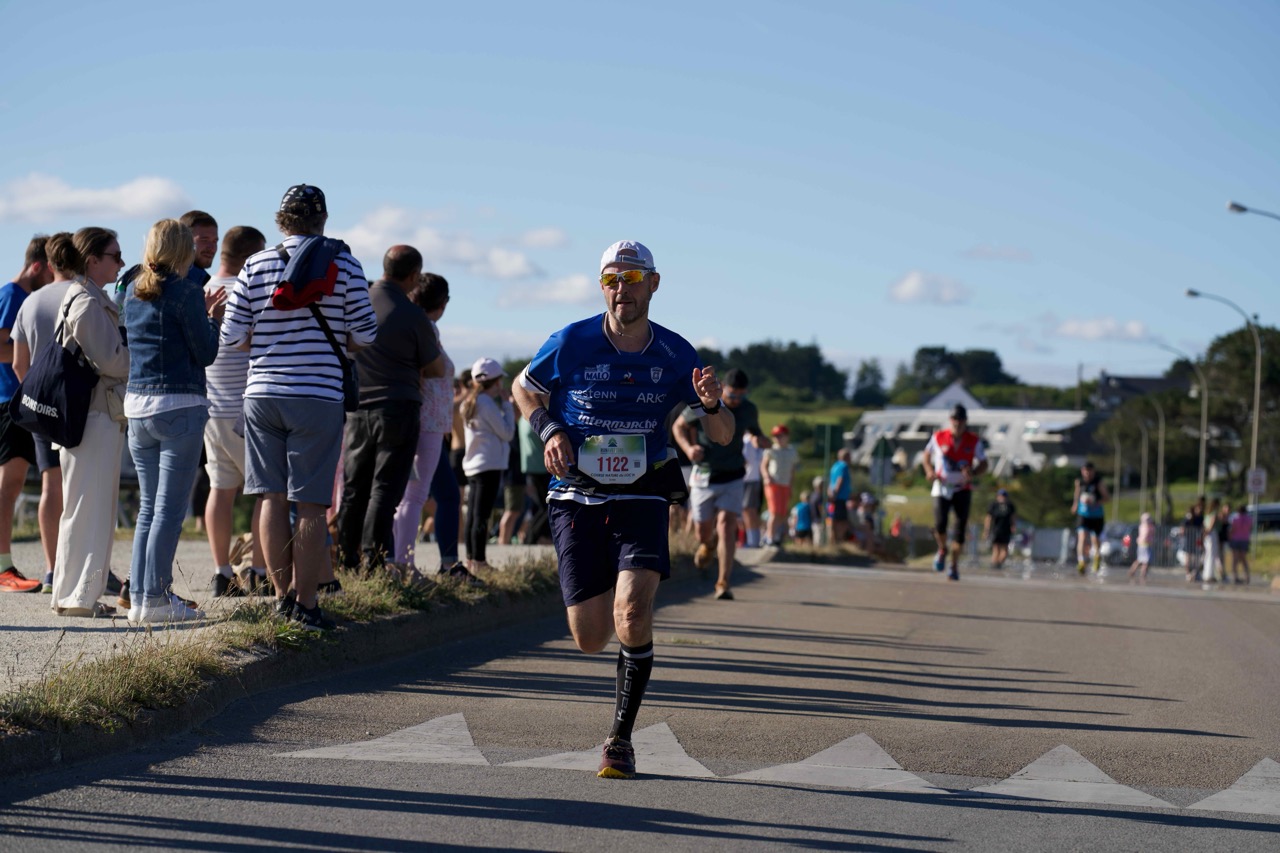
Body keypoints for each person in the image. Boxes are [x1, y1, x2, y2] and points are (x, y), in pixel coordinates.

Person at [512, 239, 731, 779]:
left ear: (653, 284)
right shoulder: (572, 340)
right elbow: (523, 387)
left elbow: (723, 434)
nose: (621, 290)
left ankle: (620, 739)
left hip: (644, 492)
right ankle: (612, 585)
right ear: (601, 285)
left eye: (631, 280)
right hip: (576, 496)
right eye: (611, 279)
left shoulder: (676, 353)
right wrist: (550, 429)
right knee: (590, 637)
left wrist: (711, 404)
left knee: (631, 614)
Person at [220, 184, 378, 631]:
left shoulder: (255, 264)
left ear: (280, 220)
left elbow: (231, 336)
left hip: (261, 394)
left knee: (271, 497)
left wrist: (267, 345)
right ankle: (307, 604)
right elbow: (366, 335)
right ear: (322, 220)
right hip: (317, 395)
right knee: (310, 505)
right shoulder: (346, 265)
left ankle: (279, 597)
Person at [123, 219, 224, 624]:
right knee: (168, 511)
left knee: (149, 510)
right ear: (184, 251)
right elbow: (206, 352)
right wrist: (213, 317)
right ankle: (157, 598)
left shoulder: (131, 291)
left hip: (137, 407)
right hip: (179, 405)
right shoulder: (187, 292)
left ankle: (140, 598)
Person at [337, 245, 442, 574]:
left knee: (354, 487)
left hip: (356, 408)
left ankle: (346, 559)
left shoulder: (356, 302)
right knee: (385, 488)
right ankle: (374, 560)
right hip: (398, 406)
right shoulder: (413, 314)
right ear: (413, 276)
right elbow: (436, 367)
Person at [50, 227, 129, 616]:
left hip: (92, 416)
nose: (121, 262)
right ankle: (78, 598)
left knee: (87, 509)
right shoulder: (85, 301)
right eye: (115, 256)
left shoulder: (88, 297)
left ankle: (73, 595)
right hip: (92, 417)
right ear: (92, 260)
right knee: (89, 511)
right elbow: (111, 360)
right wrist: (144, 359)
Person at [390, 273, 473, 581]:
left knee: (433, 494)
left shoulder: (417, 326)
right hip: (426, 424)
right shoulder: (425, 329)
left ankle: (409, 561)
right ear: (442, 303)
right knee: (417, 496)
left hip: (426, 423)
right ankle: (406, 563)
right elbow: (425, 372)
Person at [201, 226, 268, 597]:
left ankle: (222, 573)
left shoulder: (203, 289)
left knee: (220, 490)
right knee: (266, 492)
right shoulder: (249, 290)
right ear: (250, 256)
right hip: (245, 408)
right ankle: (259, 570)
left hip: (210, 408)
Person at [12, 233, 77, 594]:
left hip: (40, 404)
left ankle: (52, 568)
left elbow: (18, 363)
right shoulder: (84, 295)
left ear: (49, 263)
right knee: (83, 486)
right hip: (79, 406)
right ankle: (81, 564)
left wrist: (34, 397)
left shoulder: (31, 302)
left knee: (52, 485)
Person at [674, 367, 764, 600]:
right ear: (723, 388)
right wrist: (688, 449)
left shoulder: (749, 409)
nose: (736, 400)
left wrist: (760, 440)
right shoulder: (704, 402)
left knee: (726, 526)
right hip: (704, 473)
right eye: (732, 395)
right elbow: (678, 427)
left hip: (733, 475)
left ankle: (723, 582)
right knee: (702, 531)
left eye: (741, 395)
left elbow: (755, 432)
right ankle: (707, 543)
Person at [0, 235, 52, 593]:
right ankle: (3, 567)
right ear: (36, 267)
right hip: (10, 400)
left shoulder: (25, 297)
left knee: (16, 484)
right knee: (9, 485)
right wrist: (35, 356)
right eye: (50, 273)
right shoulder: (11, 295)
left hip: (23, 400)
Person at [921, 404, 988, 581]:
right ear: (950, 420)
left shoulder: (974, 441)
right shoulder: (938, 437)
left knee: (959, 530)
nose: (957, 423)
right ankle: (942, 549)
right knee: (940, 523)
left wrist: (973, 472)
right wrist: (929, 471)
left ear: (966, 421)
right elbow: (926, 456)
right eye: (955, 419)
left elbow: (984, 463)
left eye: (961, 420)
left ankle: (954, 565)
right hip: (941, 487)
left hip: (962, 488)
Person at [461, 357, 515, 573]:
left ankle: (471, 560)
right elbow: (507, 433)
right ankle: (480, 562)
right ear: (497, 381)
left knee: (473, 515)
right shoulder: (486, 403)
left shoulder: (471, 401)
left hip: (474, 465)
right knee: (482, 515)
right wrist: (508, 406)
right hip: (489, 465)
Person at [761, 424, 799, 546]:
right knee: (774, 512)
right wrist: (767, 477)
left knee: (782, 513)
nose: (777, 438)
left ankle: (774, 535)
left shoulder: (792, 451)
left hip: (785, 484)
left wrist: (791, 485)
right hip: (773, 484)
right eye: (775, 436)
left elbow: (792, 470)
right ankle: (769, 537)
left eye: (780, 436)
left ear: (787, 436)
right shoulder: (771, 450)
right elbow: (763, 466)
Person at [1072, 461, 1109, 575]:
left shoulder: (1098, 482)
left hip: (1096, 516)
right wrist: (1075, 505)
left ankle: (1097, 556)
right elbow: (1077, 494)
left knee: (1095, 540)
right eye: (1085, 471)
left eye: (1089, 471)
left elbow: (1107, 498)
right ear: (1082, 471)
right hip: (1083, 515)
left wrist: (1095, 501)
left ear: (1093, 471)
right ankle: (1081, 561)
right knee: (1082, 537)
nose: (1087, 473)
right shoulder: (1079, 482)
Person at [984, 488, 1017, 569]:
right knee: (996, 549)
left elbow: (1013, 517)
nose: (1002, 497)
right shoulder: (994, 505)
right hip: (996, 530)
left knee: (1005, 551)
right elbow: (989, 518)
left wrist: (1013, 526)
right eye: (1001, 495)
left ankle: (997, 564)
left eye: (1004, 496)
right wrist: (986, 530)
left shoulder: (1010, 505)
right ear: (997, 496)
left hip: (1006, 530)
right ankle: (994, 565)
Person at [827, 448, 854, 545]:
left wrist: (830, 494)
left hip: (833, 497)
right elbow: (840, 480)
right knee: (842, 521)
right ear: (846, 457)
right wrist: (836, 493)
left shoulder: (834, 466)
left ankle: (833, 541)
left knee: (833, 520)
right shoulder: (844, 466)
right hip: (840, 498)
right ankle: (839, 541)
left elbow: (830, 482)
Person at [1227, 503, 1252, 585]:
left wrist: (1229, 537)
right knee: (1244, 559)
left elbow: (1232, 529)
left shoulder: (1235, 518)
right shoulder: (1249, 519)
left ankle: (1235, 576)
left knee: (1235, 559)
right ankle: (1247, 576)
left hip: (1235, 539)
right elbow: (1250, 528)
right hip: (1245, 539)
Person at [1128, 512, 1155, 583]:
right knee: (1146, 561)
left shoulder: (1142, 526)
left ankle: (1132, 571)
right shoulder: (1147, 526)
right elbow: (1146, 534)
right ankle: (1143, 575)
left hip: (1141, 544)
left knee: (1140, 559)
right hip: (1146, 544)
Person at [1201, 497, 1222, 584]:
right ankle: (1209, 575)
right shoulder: (1214, 514)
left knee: (1208, 554)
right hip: (1211, 533)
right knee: (1211, 554)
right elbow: (1211, 525)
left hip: (1207, 534)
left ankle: (1207, 574)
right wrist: (1208, 531)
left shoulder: (1207, 514)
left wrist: (1204, 533)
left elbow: (1204, 524)